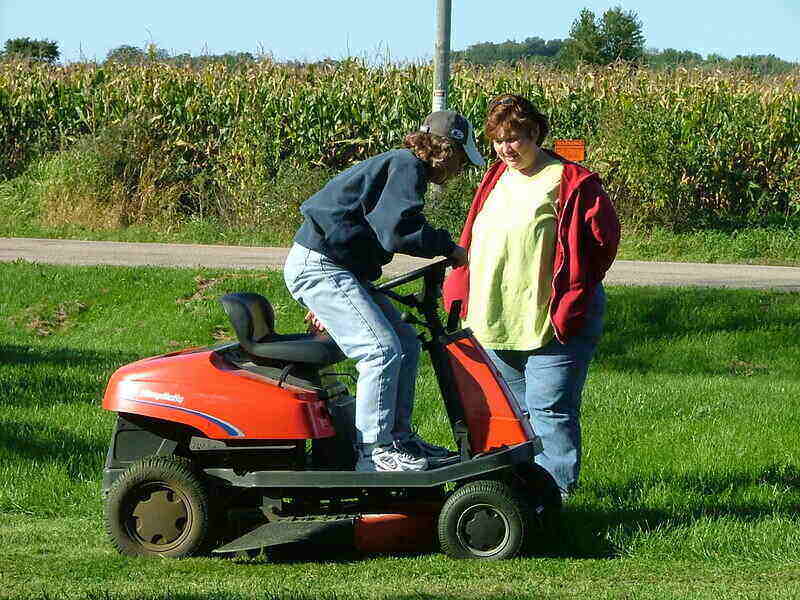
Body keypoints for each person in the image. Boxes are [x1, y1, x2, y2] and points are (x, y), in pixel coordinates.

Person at [284, 111, 485, 472]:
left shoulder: (402, 165)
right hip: (323, 264)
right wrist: (448, 247)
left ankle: (400, 440)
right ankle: (374, 452)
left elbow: (372, 229)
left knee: (406, 343)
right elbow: (398, 231)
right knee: (380, 350)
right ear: (448, 151)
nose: (458, 173)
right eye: (461, 163)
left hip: (339, 267)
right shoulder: (407, 166)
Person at [443, 94, 620, 497]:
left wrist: (573, 288)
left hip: (554, 320)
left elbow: (601, 243)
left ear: (536, 133)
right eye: (498, 140)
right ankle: (521, 496)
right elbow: (472, 237)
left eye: (516, 138)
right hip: (497, 316)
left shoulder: (571, 181)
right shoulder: (494, 178)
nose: (507, 148)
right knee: (514, 415)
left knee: (548, 411)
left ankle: (553, 501)